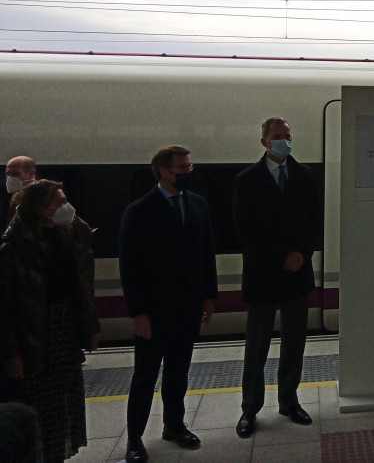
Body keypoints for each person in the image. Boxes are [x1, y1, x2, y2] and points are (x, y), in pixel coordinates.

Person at [119, 145, 217, 463]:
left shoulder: (198, 205)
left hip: (187, 307)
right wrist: (137, 312)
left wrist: (209, 296)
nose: (188, 172)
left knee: (178, 371)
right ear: (163, 170)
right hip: (154, 310)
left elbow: (206, 253)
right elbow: (129, 266)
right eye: (182, 167)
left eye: (189, 166)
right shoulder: (139, 210)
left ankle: (174, 425)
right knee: (145, 376)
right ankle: (134, 439)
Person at [234, 117, 323, 438]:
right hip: (262, 274)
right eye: (277, 137)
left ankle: (289, 400)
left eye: (288, 136)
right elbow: (245, 229)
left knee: (294, 341)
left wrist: (301, 252)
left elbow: (314, 221)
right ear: (264, 142)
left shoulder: (304, 175)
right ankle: (249, 409)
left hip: (297, 273)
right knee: (256, 345)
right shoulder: (247, 180)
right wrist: (282, 256)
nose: (284, 141)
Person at [0, 179, 100, 462]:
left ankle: (56, 456)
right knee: (41, 409)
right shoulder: (12, 249)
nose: (67, 207)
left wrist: (89, 326)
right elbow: (5, 309)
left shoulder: (65, 239)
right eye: (60, 202)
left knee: (62, 409)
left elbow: (81, 287)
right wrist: (12, 354)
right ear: (42, 209)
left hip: (64, 336)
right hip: (34, 338)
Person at [5, 155, 37, 227]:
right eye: (7, 173)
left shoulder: (43, 195)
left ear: (31, 173)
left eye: (15, 173)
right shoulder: (12, 196)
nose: (10, 178)